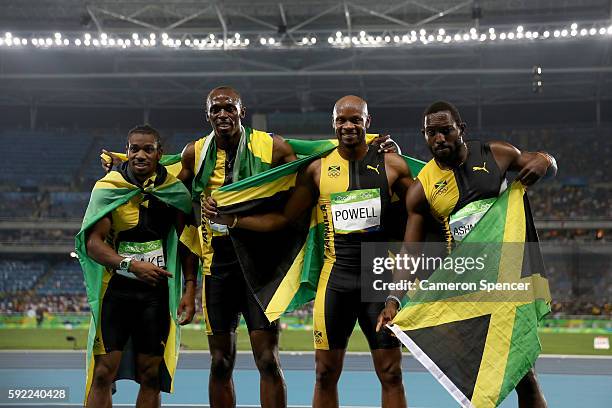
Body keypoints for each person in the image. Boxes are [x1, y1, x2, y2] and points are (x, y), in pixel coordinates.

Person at [205, 95, 413, 408]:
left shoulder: (393, 166)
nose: (348, 125)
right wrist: (233, 219)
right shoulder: (317, 170)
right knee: (325, 373)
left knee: (391, 372)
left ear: (367, 122)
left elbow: (424, 211)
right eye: (342, 120)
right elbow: (283, 218)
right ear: (333, 124)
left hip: (379, 280)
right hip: (336, 280)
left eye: (355, 119)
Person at [376, 100, 557, 407]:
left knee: (523, 374)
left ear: (461, 129)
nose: (439, 139)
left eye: (445, 131)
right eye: (430, 133)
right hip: (467, 286)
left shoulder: (496, 154)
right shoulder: (422, 189)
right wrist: (394, 299)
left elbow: (544, 165)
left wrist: (545, 159)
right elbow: (411, 249)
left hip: (508, 277)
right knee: (477, 378)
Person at [83, 125, 197, 408]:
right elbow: (93, 244)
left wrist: (190, 289)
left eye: (148, 149)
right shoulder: (109, 188)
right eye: (134, 149)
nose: (141, 155)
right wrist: (131, 265)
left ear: (160, 153)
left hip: (155, 296)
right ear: (127, 152)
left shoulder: (173, 190)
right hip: (116, 293)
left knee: (151, 376)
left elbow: (187, 243)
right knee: (102, 375)